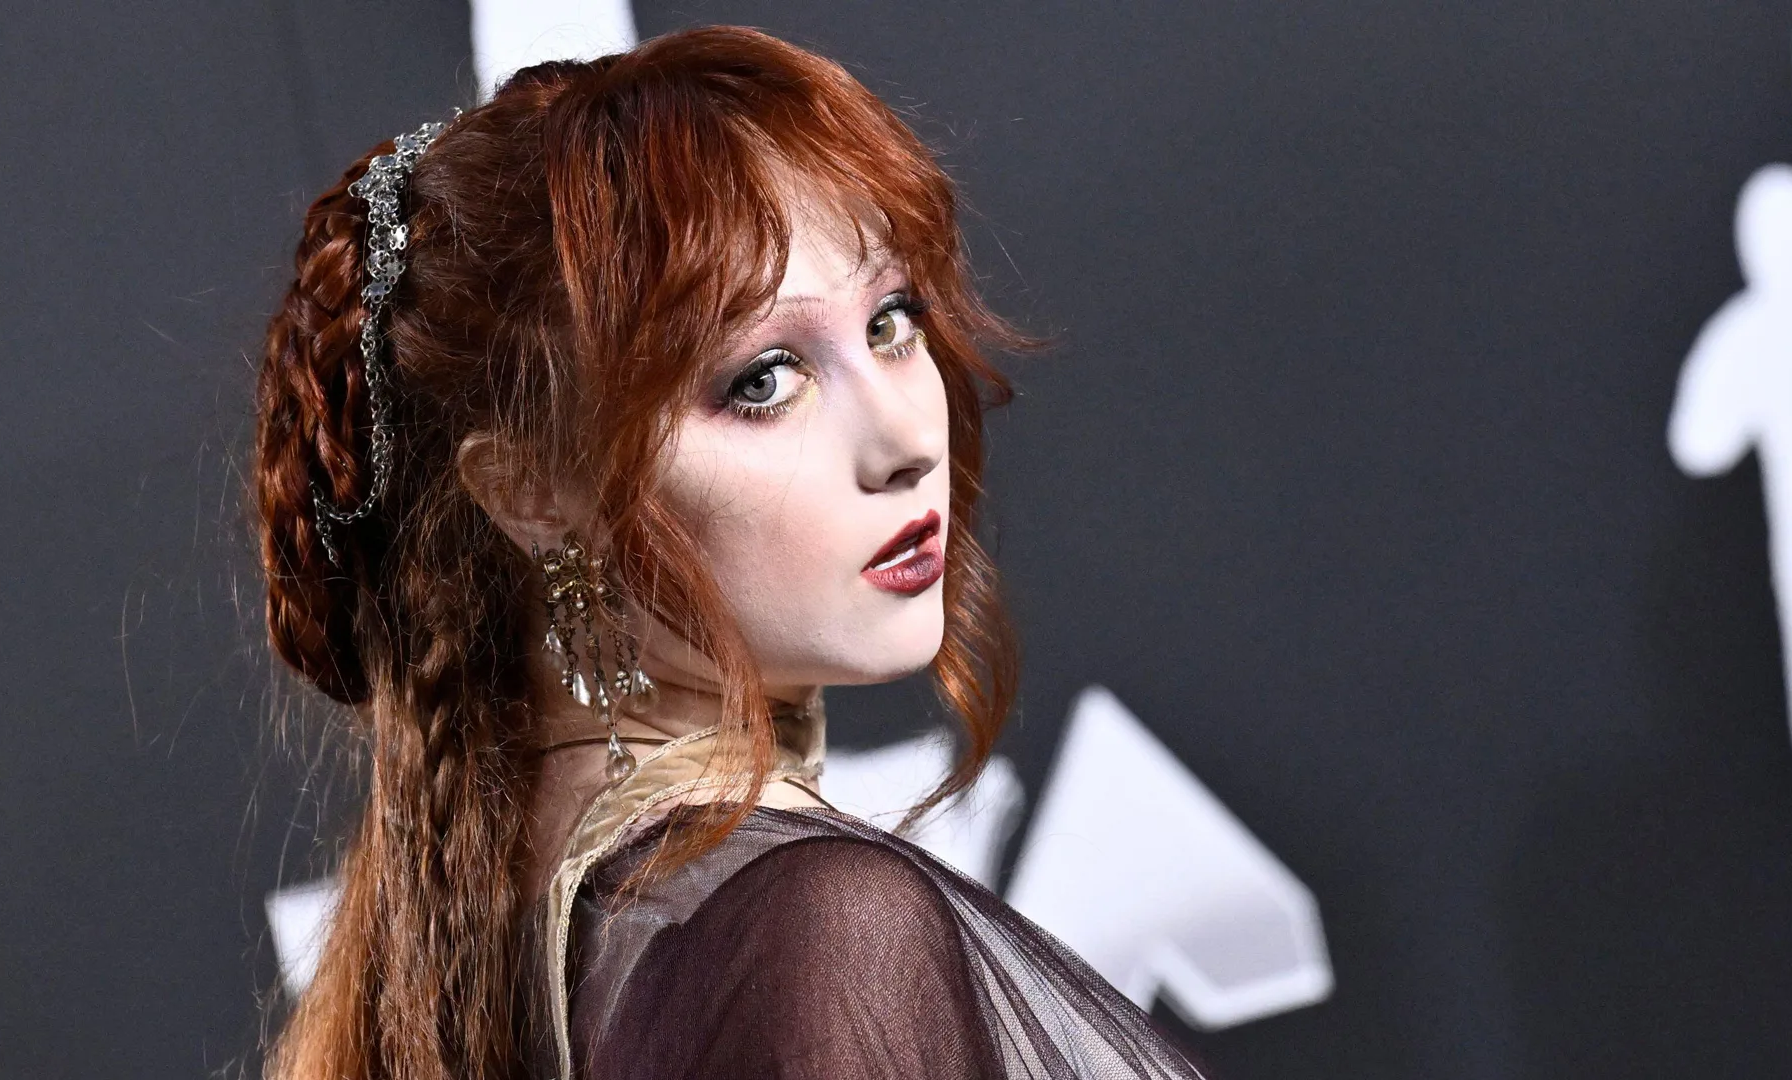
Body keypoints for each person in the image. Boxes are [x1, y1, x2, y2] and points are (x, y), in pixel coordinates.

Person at [253, 24, 1207, 1080]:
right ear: (533, 495)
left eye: (892, 320)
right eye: (762, 381)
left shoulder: (507, 912)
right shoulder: (818, 931)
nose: (904, 441)